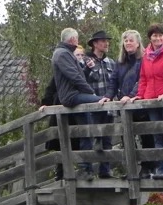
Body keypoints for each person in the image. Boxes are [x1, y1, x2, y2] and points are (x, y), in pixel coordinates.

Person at [50, 27, 109, 182]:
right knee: (100, 102)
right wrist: (92, 94)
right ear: (72, 40)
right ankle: (85, 167)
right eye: (76, 39)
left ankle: (86, 169)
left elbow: (78, 74)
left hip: (74, 94)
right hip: (71, 96)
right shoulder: (62, 54)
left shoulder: (65, 53)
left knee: (85, 131)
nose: (78, 42)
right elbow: (75, 76)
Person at [131, 23, 163, 180]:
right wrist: (140, 95)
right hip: (151, 99)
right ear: (150, 38)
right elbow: (143, 77)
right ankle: (161, 167)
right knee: (157, 135)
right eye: (154, 35)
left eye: (160, 35)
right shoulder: (146, 55)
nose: (157, 38)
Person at [105, 29, 155, 179]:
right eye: (125, 40)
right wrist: (108, 96)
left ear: (138, 43)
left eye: (131, 40)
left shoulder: (144, 59)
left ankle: (148, 168)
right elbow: (113, 81)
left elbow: (142, 80)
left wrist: (131, 96)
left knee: (146, 136)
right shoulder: (120, 62)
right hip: (124, 106)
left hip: (140, 104)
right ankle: (132, 169)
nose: (128, 43)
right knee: (126, 138)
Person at [83, 30, 116, 178]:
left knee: (107, 139)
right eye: (103, 41)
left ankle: (105, 170)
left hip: (109, 107)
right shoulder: (85, 61)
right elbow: (82, 82)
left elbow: (115, 84)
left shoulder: (111, 62)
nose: (106, 43)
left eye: (107, 41)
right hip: (92, 107)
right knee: (91, 138)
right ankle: (88, 170)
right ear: (95, 44)